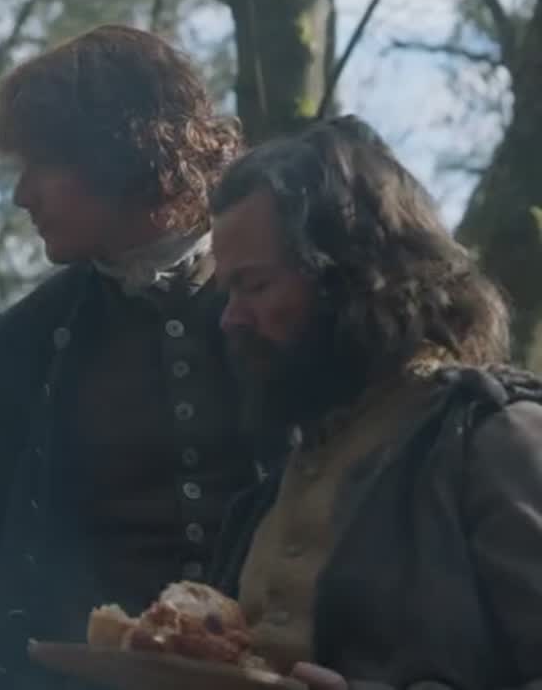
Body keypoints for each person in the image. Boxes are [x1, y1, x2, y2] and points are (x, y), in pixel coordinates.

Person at [0, 24, 273, 690]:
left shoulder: (282, 308)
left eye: (42, 163)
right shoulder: (21, 341)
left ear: (121, 151)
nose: (22, 195)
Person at [207, 115, 542, 690]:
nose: (230, 319)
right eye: (228, 292)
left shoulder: (493, 440)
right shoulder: (279, 482)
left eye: (256, 285)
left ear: (353, 275)